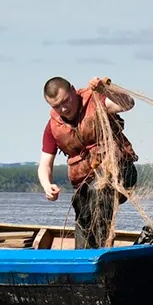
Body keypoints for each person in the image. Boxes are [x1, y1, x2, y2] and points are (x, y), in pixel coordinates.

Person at [37, 75, 139, 248]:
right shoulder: (53, 127)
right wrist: (47, 186)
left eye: (66, 101)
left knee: (97, 191)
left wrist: (107, 89)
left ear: (73, 90)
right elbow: (44, 165)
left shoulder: (96, 100)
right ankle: (82, 256)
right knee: (82, 207)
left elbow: (127, 104)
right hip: (86, 182)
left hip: (121, 172)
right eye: (56, 106)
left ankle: (101, 252)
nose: (63, 108)